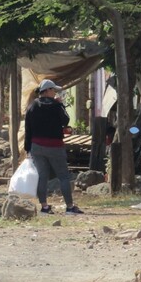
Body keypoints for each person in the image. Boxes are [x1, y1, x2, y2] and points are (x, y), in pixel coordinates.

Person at [24, 79, 84, 215]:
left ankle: (44, 207)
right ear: (48, 90)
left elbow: (28, 129)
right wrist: (61, 105)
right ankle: (69, 207)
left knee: (42, 176)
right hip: (55, 146)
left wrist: (28, 148)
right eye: (54, 90)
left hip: (37, 146)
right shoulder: (56, 106)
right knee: (63, 176)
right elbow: (66, 120)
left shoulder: (32, 106)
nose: (55, 92)